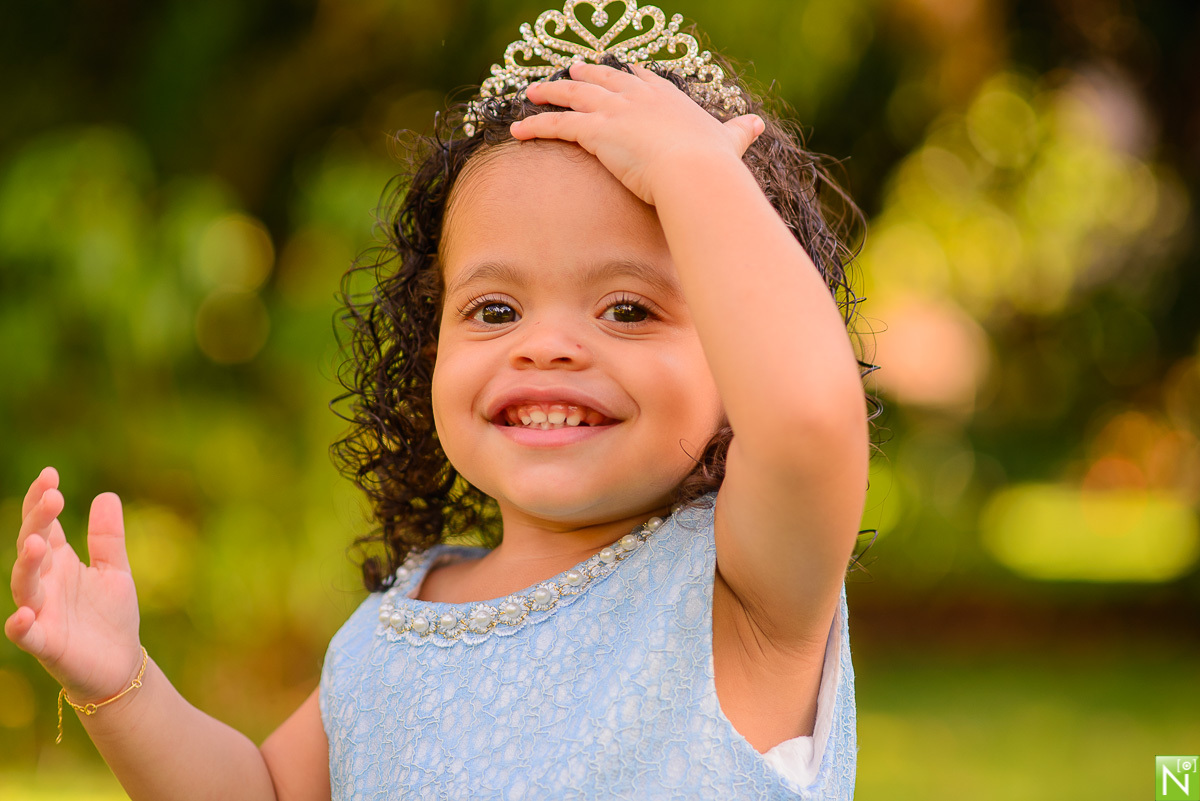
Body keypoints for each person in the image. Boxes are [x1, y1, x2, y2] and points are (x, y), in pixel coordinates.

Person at [6, 3, 873, 798]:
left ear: (734, 351)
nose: (547, 344)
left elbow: (806, 416)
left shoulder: (747, 589)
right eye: (495, 310)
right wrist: (120, 682)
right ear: (430, 346)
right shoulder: (396, 626)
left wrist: (694, 170)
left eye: (628, 309)